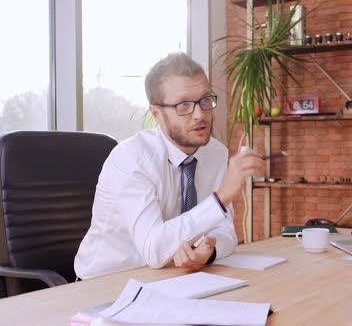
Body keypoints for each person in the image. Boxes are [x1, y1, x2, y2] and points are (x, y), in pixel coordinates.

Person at [74, 52, 265, 280]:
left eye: (205, 100)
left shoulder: (215, 152)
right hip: (106, 284)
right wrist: (222, 197)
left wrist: (209, 251)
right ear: (157, 113)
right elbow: (155, 249)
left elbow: (225, 231)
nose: (199, 114)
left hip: (172, 278)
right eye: (184, 105)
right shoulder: (132, 159)